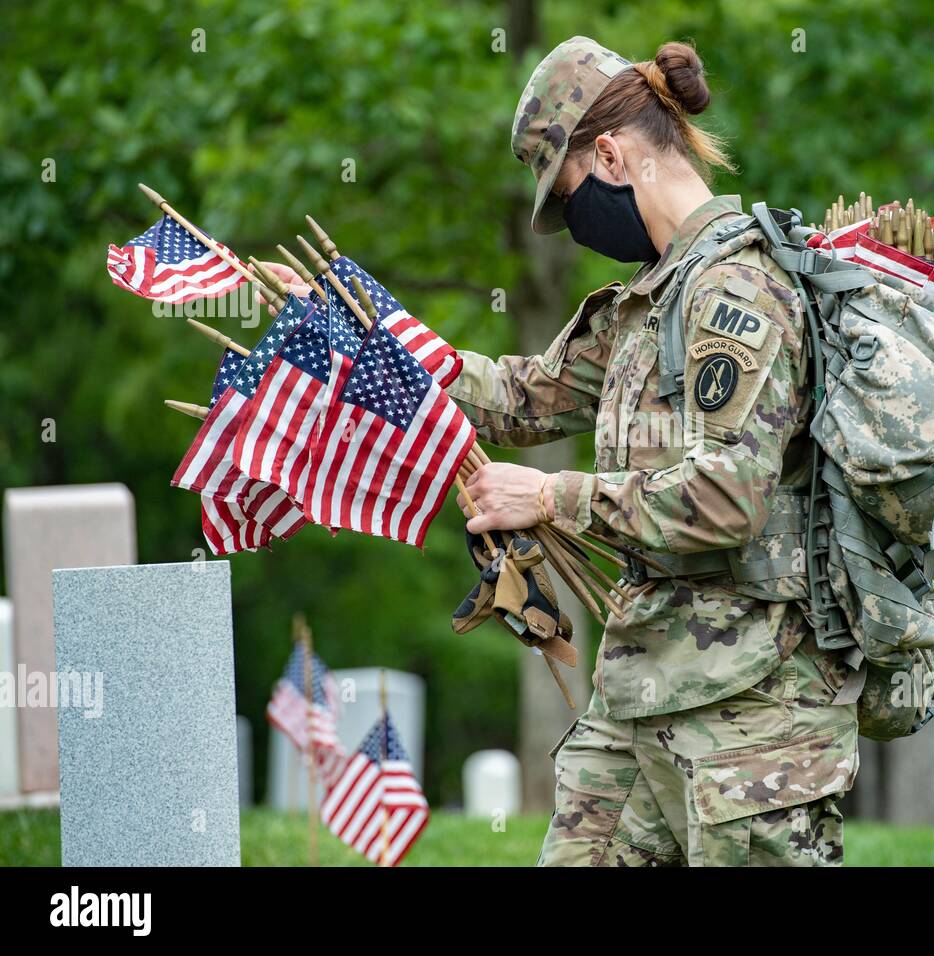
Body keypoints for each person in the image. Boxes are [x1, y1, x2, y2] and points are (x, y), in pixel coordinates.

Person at [269, 36, 860, 867]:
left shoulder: (736, 290)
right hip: (638, 698)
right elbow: (516, 399)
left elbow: (729, 501)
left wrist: (551, 498)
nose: (572, 225)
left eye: (571, 195)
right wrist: (356, 337)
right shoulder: (639, 306)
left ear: (613, 155)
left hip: (750, 721)